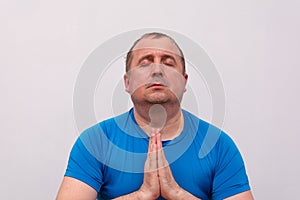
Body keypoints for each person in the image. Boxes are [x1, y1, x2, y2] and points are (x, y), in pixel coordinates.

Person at [56, 32, 254, 200]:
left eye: (168, 63)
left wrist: (177, 194)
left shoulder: (219, 145)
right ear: (127, 82)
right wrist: (141, 195)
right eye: (145, 63)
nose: (157, 70)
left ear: (184, 82)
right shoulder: (96, 142)